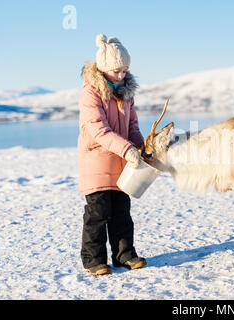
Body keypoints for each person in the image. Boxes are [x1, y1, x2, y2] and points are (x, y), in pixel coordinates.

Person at [77, 34, 146, 276]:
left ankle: (124, 256)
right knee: (98, 214)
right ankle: (93, 260)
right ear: (104, 68)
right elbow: (98, 130)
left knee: (121, 213)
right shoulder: (91, 93)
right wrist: (127, 149)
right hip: (96, 161)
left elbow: (133, 128)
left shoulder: (126, 93)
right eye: (116, 71)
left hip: (121, 164)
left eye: (125, 70)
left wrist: (142, 149)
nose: (121, 75)